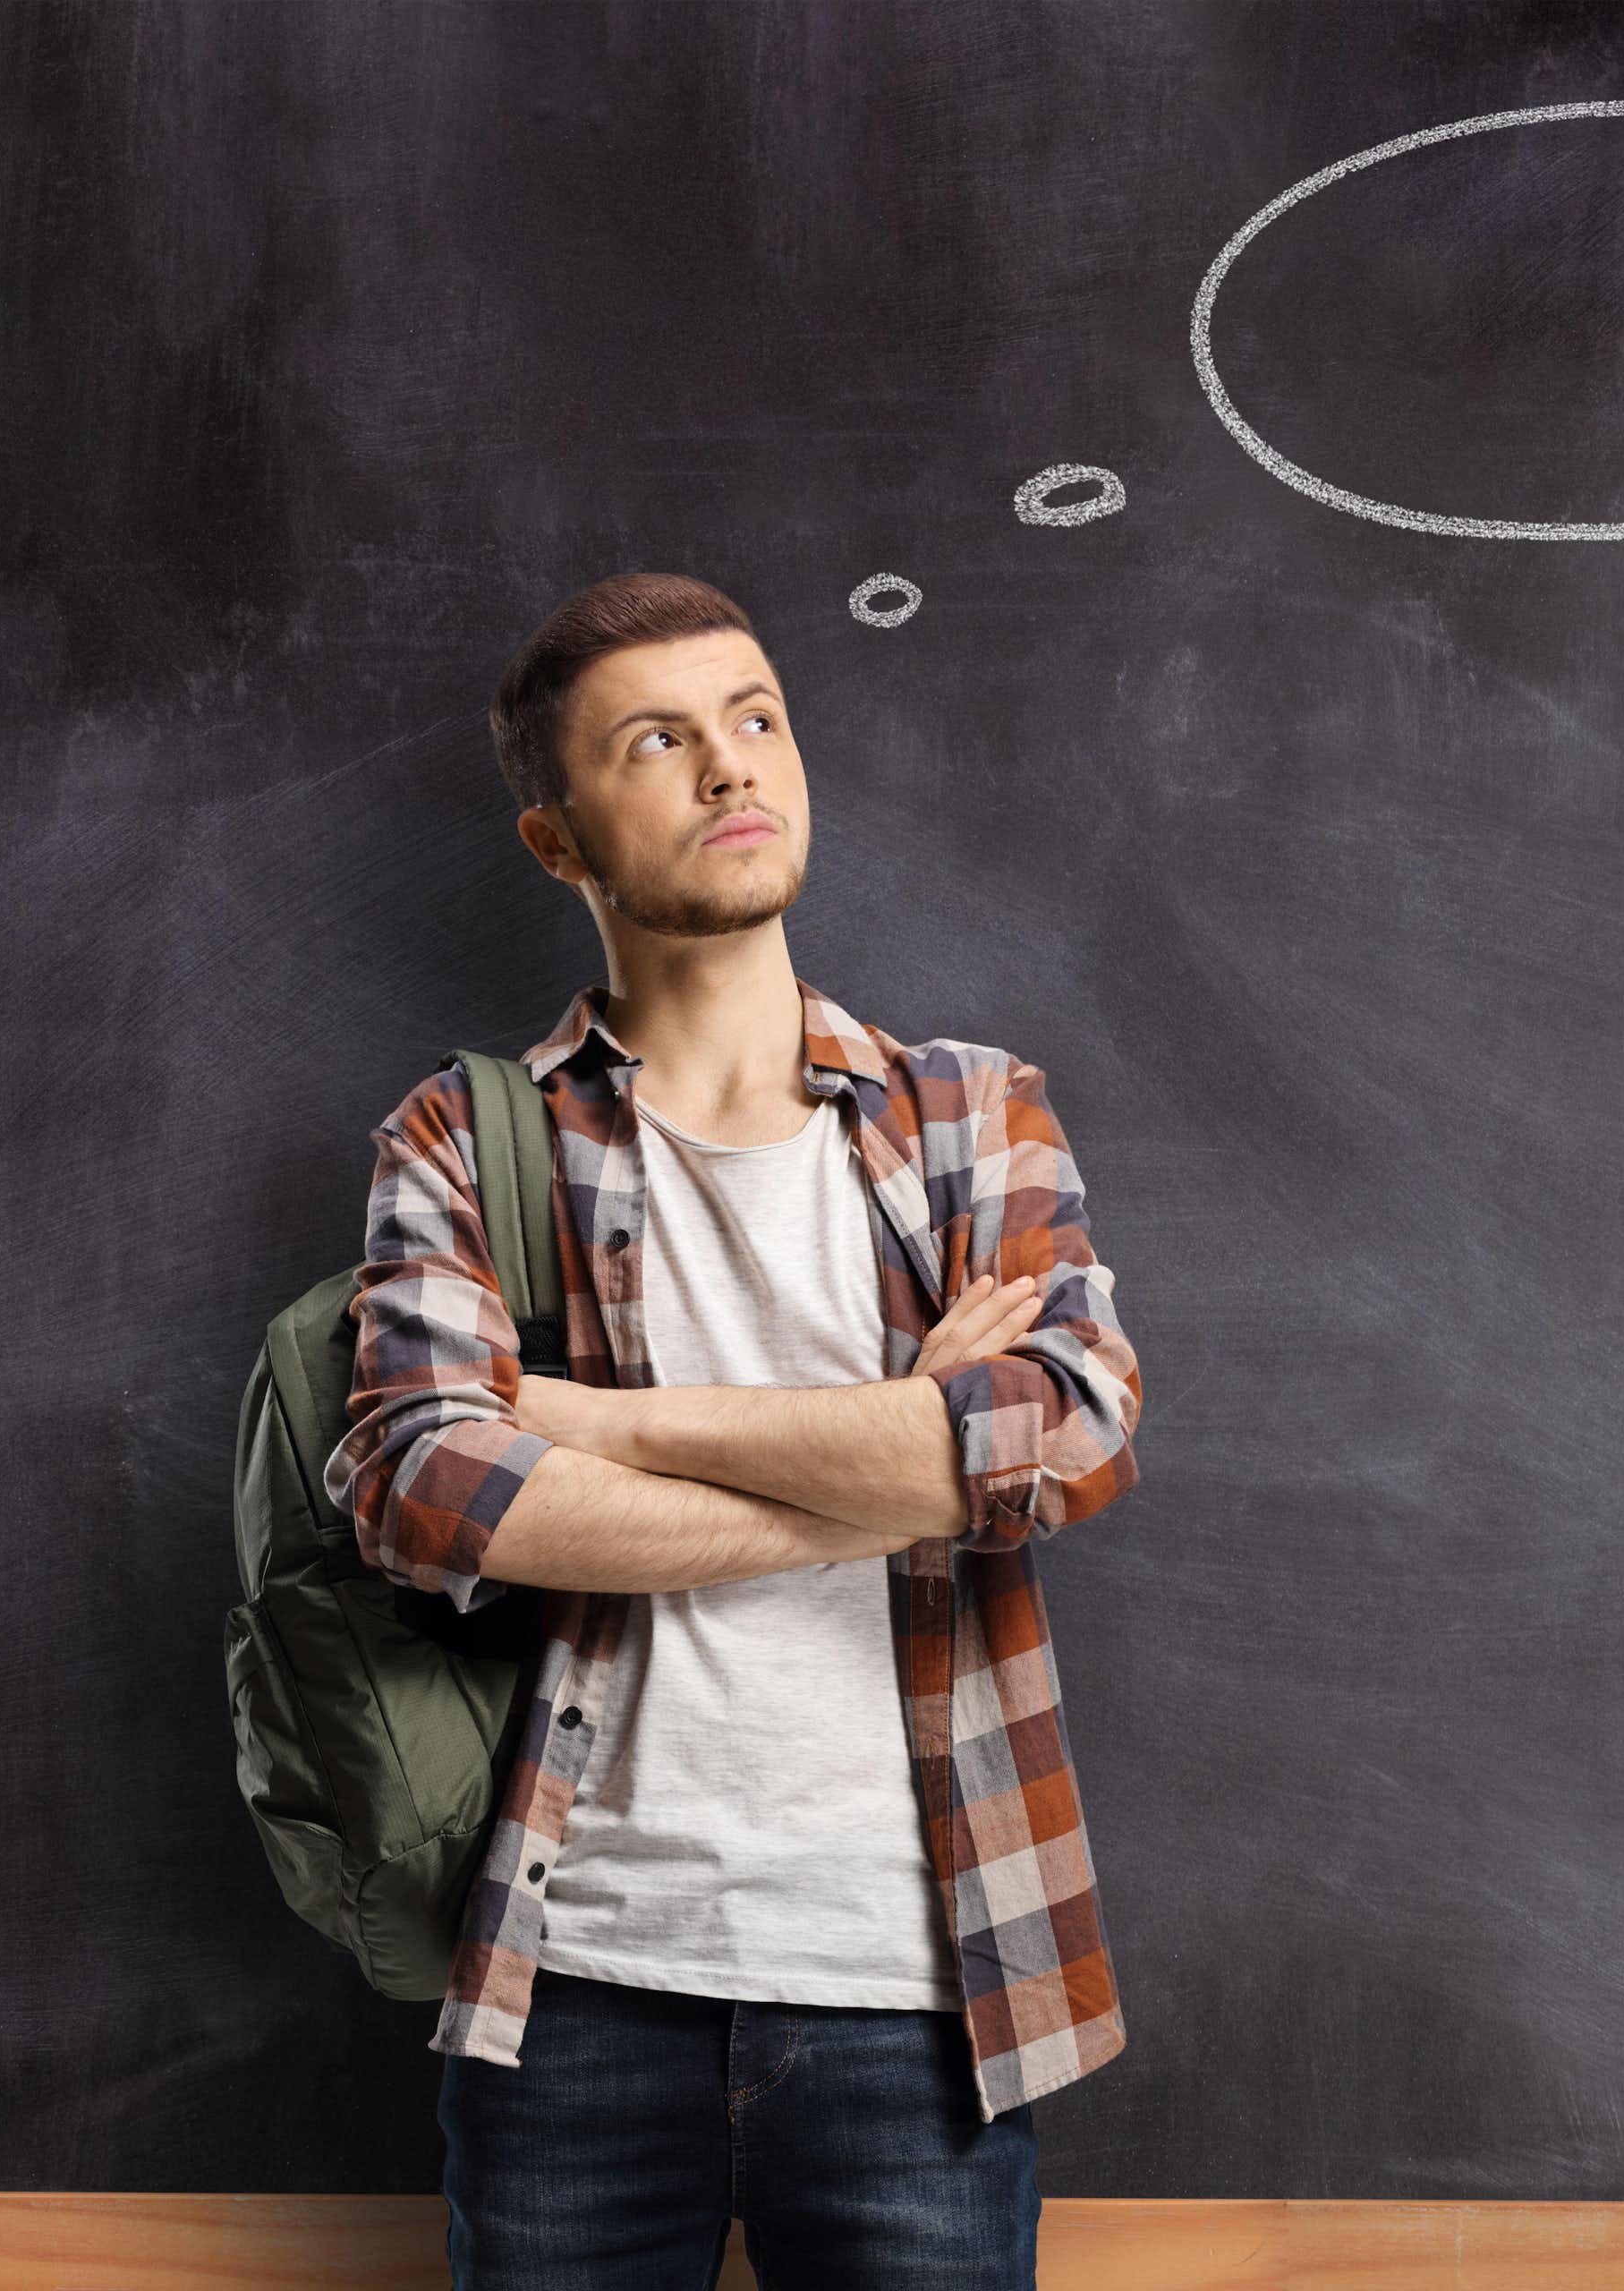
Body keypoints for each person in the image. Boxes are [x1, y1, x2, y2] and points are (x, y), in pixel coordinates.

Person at [321, 570, 1144, 2289]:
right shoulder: (470, 1142)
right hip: (576, 1998)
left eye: (756, 719)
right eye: (659, 741)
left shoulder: (968, 1117)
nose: (727, 767)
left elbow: (1063, 1439)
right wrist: (915, 1449)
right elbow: (426, 1489)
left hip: (929, 1996)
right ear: (558, 842)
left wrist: (594, 1426)